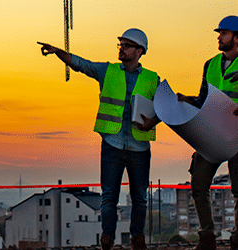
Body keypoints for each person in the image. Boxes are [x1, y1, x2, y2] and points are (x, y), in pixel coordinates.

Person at [38, 28, 160, 250]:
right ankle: (107, 239)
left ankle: (137, 238)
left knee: (140, 198)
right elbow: (81, 64)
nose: (121, 49)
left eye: (126, 45)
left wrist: (152, 122)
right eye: (120, 45)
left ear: (139, 51)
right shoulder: (108, 71)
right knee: (108, 197)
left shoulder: (152, 79)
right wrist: (59, 52)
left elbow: (164, 107)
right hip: (112, 143)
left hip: (139, 146)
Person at [177, 15, 238, 250]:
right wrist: (188, 100)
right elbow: (204, 99)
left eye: (223, 33)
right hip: (212, 133)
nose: (219, 37)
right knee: (198, 185)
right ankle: (207, 237)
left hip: (236, 135)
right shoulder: (210, 64)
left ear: (236, 37)